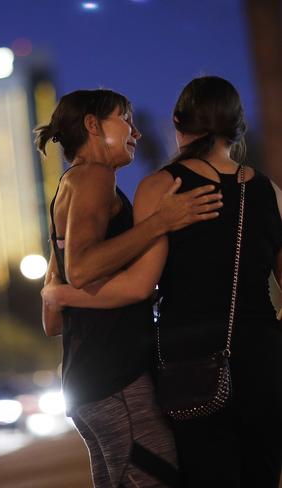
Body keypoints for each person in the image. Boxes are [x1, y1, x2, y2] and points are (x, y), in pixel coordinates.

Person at [42, 76, 282, 487]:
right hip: (259, 360)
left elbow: (128, 287)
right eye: (126, 120)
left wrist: (57, 293)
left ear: (177, 121)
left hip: (185, 365)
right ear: (236, 127)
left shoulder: (156, 186)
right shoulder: (271, 191)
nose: (135, 131)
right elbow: (103, 276)